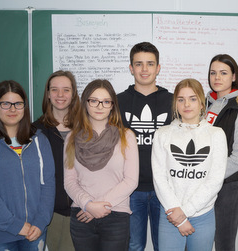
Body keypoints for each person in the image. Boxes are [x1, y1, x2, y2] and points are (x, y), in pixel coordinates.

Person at [0, 80, 55, 251]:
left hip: (34, 233)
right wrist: (16, 225)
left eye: (18, 104)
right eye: (6, 103)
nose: (13, 109)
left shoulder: (39, 140)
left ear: (24, 107)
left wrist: (41, 221)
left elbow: (48, 184)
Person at [152, 78, 227, 251]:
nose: (186, 104)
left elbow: (215, 180)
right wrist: (178, 214)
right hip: (170, 213)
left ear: (202, 103)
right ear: (175, 104)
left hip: (202, 214)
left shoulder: (216, 134)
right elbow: (160, 178)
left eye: (192, 99)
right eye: (181, 99)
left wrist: (185, 212)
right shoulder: (162, 134)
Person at [64, 79, 139, 251]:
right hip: (82, 216)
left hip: (116, 216)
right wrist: (88, 205)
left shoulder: (126, 136)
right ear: (86, 103)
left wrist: (99, 206)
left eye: (106, 102)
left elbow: (130, 181)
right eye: (94, 100)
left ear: (112, 105)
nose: (99, 106)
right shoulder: (72, 137)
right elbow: (69, 181)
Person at [117, 41, 173, 251]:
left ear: (158, 68)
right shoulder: (117, 102)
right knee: (133, 246)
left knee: (165, 246)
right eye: (138, 64)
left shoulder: (173, 100)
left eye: (150, 63)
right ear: (131, 68)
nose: (144, 69)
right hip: (130, 191)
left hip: (165, 190)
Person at [205, 54, 238, 251]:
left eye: (223, 73)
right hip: (203, 186)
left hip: (228, 187)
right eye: (213, 73)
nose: (217, 77)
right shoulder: (204, 104)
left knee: (224, 245)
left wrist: (208, 176)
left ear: (234, 76)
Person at [33, 70, 80, 251]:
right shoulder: (34, 131)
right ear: (47, 94)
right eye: (55, 90)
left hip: (82, 210)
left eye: (66, 90)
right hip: (51, 213)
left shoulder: (85, 128)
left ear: (73, 94)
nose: (60, 95)